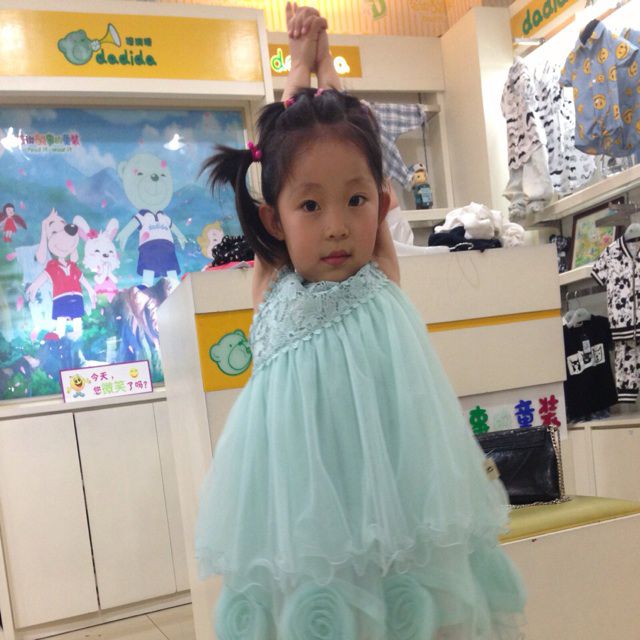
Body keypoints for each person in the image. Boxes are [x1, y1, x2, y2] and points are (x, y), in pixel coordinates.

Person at [196, 4, 526, 639]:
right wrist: (300, 70)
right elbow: (279, 162)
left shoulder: (378, 270)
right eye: (310, 206)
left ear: (380, 202)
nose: (337, 226)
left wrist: (329, 74)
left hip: (396, 492)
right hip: (303, 504)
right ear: (273, 219)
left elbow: (352, 149)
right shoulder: (271, 284)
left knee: (407, 597)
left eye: (356, 201)